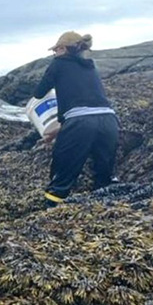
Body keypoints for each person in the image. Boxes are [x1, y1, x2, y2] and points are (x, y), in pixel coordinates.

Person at [33, 31, 119, 207]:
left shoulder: (58, 64)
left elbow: (39, 93)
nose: (54, 54)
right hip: (109, 121)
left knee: (61, 178)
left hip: (80, 123)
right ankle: (102, 214)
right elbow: (88, 107)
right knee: (104, 177)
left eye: (55, 50)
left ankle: (50, 213)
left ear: (63, 49)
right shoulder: (90, 65)